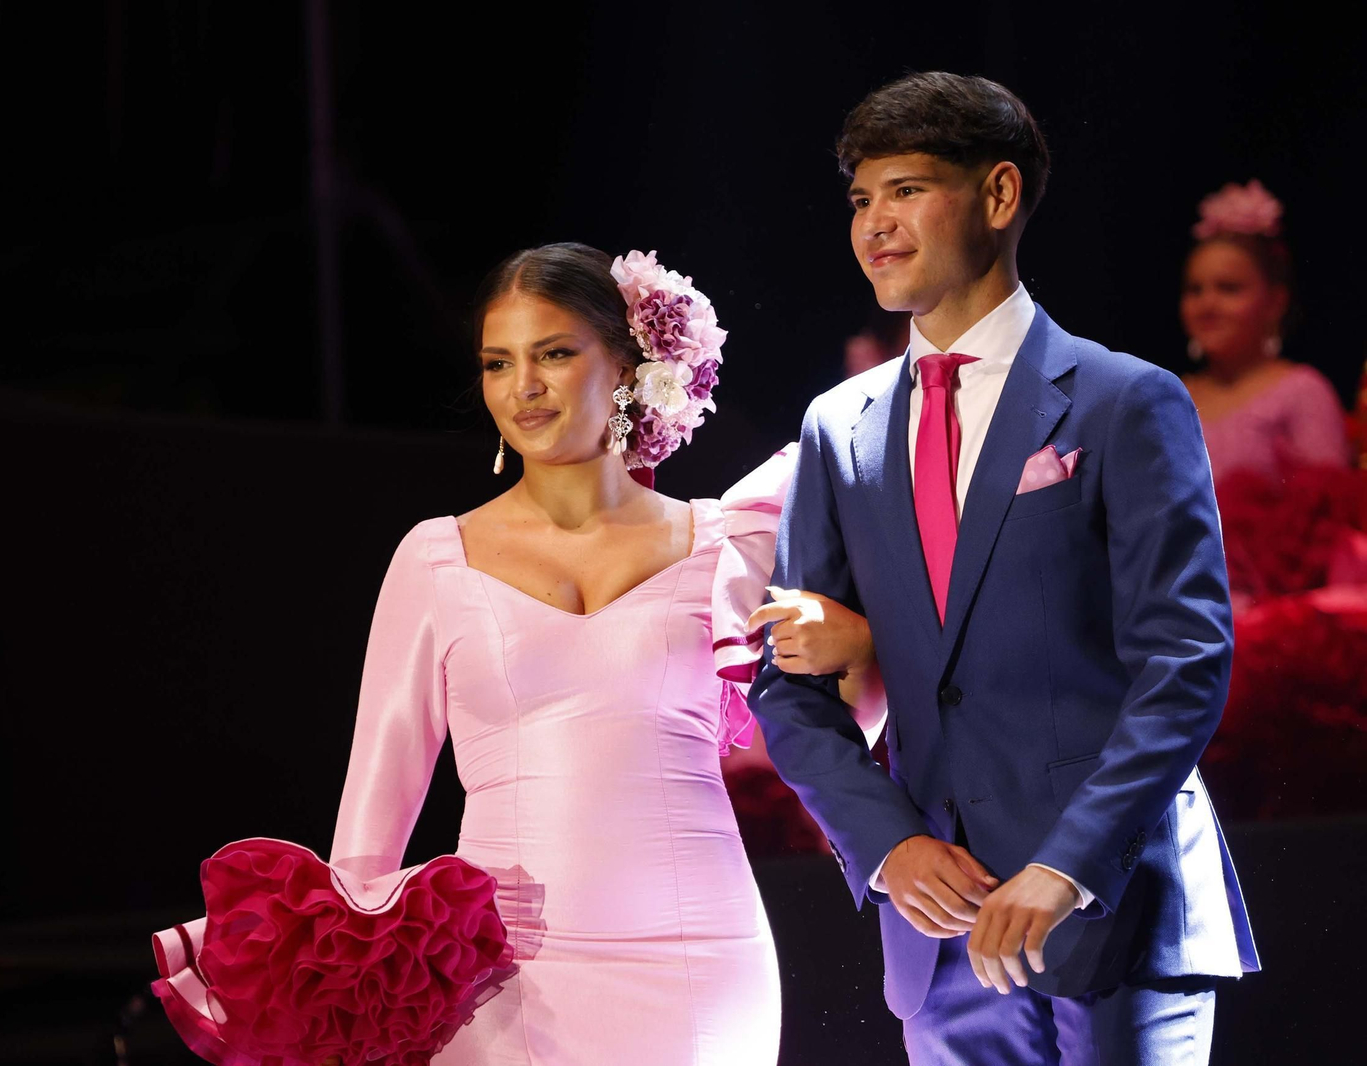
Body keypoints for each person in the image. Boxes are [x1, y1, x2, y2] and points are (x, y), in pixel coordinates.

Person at [153, 242, 874, 1065]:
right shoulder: (435, 559)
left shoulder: (728, 546)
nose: (522, 387)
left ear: (629, 365)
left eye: (556, 354)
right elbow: (371, 818)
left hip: (701, 958)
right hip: (502, 974)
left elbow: (823, 728)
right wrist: (350, 986)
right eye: (499, 362)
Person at [747, 72, 1259, 1066]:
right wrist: (888, 846)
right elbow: (788, 689)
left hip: (1113, 910)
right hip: (937, 934)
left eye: (903, 189)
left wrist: (1067, 864)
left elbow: (1186, 660)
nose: (874, 224)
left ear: (997, 195)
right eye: (860, 198)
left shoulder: (1123, 400)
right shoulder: (838, 428)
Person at [1180, 179, 1351, 481]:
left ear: (1274, 302)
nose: (1207, 304)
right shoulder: (1173, 393)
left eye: (1229, 288)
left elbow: (1327, 514)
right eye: (1195, 289)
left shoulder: (1303, 391)